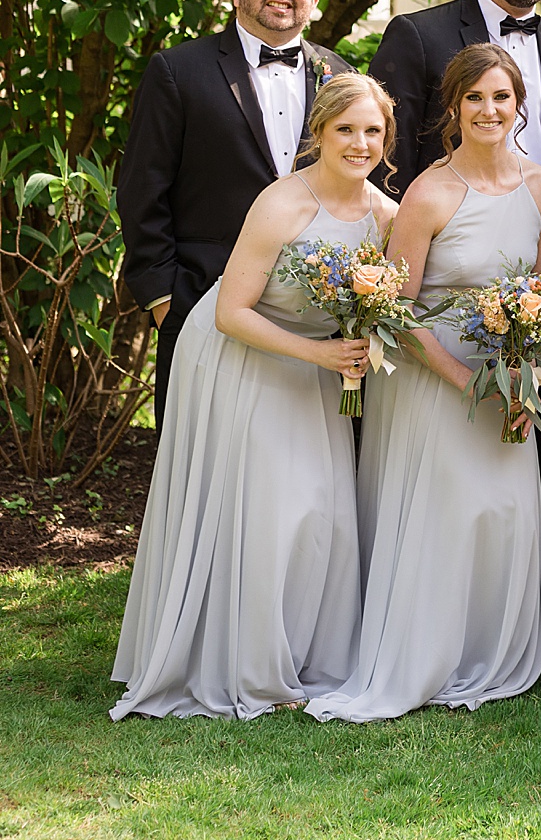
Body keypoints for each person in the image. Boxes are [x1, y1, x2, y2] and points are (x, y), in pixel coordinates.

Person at [111, 73, 397, 719]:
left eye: (372, 131)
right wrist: (322, 354)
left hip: (315, 371)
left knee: (318, 510)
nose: (359, 143)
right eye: (345, 129)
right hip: (237, 358)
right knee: (267, 506)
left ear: (387, 138)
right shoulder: (282, 203)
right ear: (319, 132)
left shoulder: (383, 214)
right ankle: (240, 662)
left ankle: (300, 654)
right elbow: (229, 314)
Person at [307, 47, 541, 721]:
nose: (488, 110)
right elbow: (395, 307)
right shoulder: (429, 193)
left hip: (503, 366)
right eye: (474, 98)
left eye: (501, 97)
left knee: (497, 509)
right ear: (453, 108)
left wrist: (520, 377)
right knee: (444, 510)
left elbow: (537, 293)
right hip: (430, 370)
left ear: (519, 105)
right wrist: (463, 382)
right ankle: (423, 653)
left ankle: (488, 651)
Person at [368, 0, 541, 506]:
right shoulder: (419, 33)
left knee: (520, 472)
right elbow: (383, 155)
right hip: (439, 268)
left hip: (536, 277)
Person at [118, 0, 356, 424]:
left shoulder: (341, 77)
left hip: (310, 323)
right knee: (204, 465)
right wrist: (166, 302)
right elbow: (143, 190)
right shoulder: (178, 71)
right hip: (203, 305)